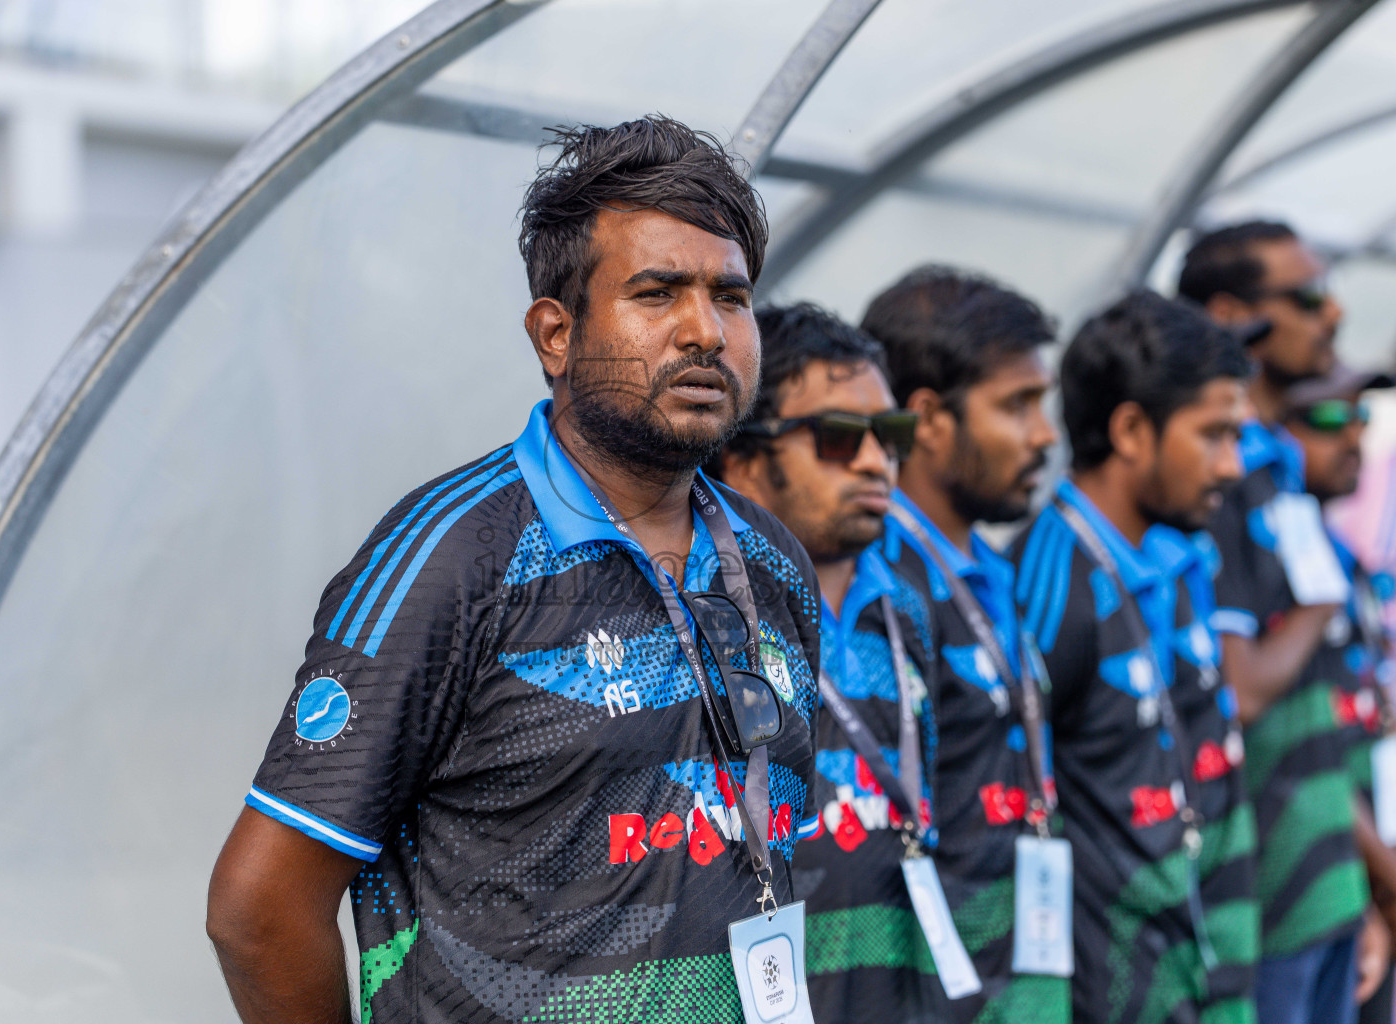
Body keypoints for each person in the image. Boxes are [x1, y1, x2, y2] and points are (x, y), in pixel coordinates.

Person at [205, 117, 828, 1024]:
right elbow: (259, 907)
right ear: (555, 335)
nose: (705, 331)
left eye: (730, 298)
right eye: (658, 293)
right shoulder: (455, 557)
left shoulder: (774, 562)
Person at [1011, 291, 1258, 1023]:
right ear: (1129, 430)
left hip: (1208, 967)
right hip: (1113, 991)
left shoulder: (1178, 554)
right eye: (1213, 435)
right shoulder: (1050, 583)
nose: (1234, 464)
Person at [714, 302, 943, 1021]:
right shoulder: (704, 616)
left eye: (892, 434)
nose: (878, 460)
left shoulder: (907, 606)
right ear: (746, 460)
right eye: (841, 437)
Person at [861, 266, 1071, 1023]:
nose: (1045, 434)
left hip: (1028, 977)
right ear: (926, 420)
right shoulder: (876, 590)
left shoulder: (991, 569)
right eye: (1018, 405)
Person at [1181, 221, 1372, 1024]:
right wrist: (1324, 608)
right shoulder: (1214, 477)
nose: (1332, 314)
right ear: (1230, 314)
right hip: (1265, 900)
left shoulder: (1274, 464)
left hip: (1334, 884)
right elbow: (1243, 691)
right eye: (1306, 297)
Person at [1283, 362, 1396, 1021]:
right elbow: (1298, 737)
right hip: (1288, 895)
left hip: (1351, 890)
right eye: (1327, 418)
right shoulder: (1259, 558)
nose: (1350, 434)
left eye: (1358, 417)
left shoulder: (1340, 557)